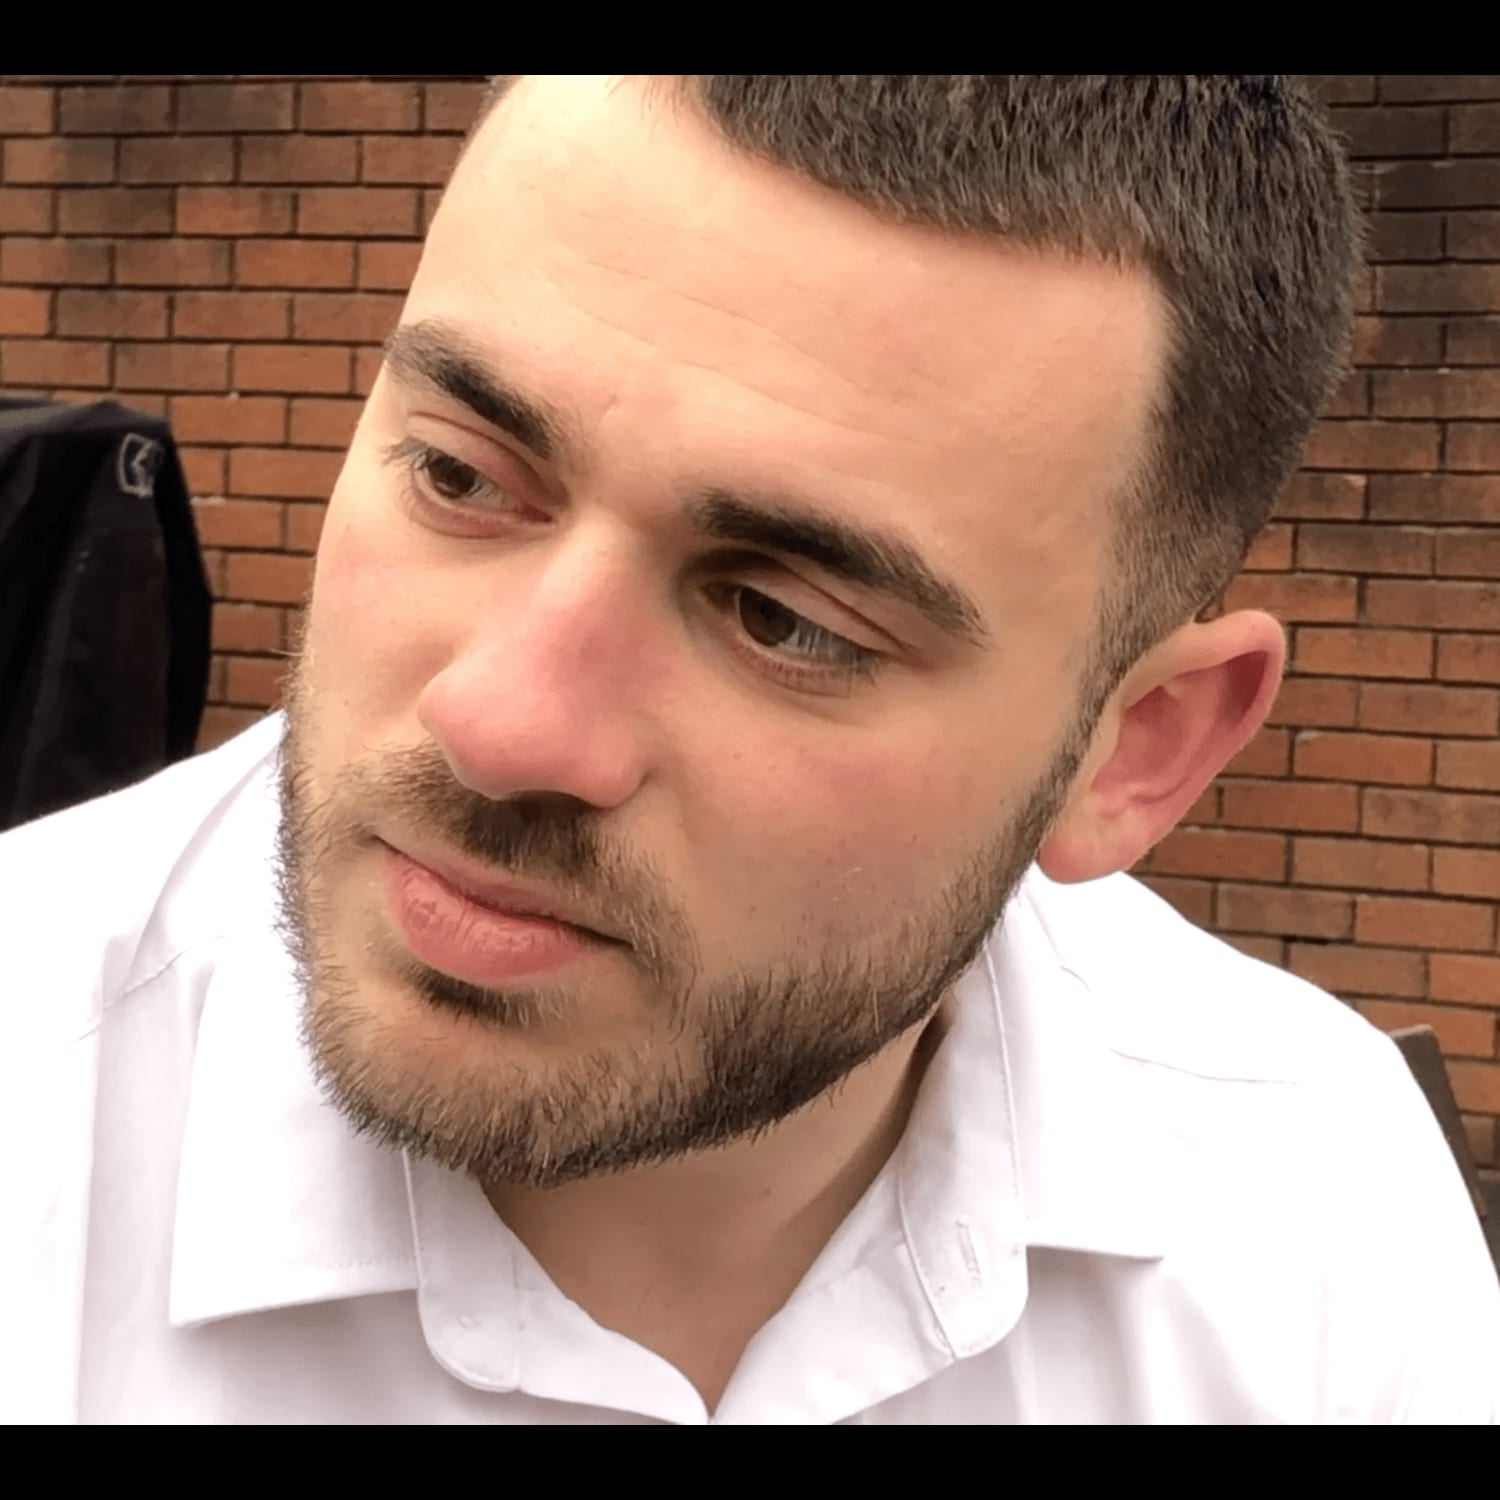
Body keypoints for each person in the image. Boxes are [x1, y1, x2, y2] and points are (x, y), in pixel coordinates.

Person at [3, 74, 1497, 1426]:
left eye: (786, 622)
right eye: (459, 475)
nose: (500, 725)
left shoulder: (1313, 1212)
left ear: (1133, 754)